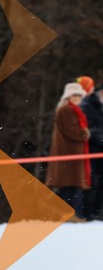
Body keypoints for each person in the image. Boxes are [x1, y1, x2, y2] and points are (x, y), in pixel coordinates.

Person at [45, 82, 91, 217]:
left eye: (79, 95)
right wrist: (85, 133)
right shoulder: (67, 110)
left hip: (70, 154)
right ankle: (69, 215)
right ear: (68, 96)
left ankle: (65, 214)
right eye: (74, 95)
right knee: (69, 186)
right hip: (69, 155)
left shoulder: (70, 109)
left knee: (68, 187)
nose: (77, 98)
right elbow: (72, 130)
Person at [79, 78, 103, 220]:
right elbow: (89, 129)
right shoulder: (86, 105)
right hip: (91, 150)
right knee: (90, 181)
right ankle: (87, 213)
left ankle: (99, 212)